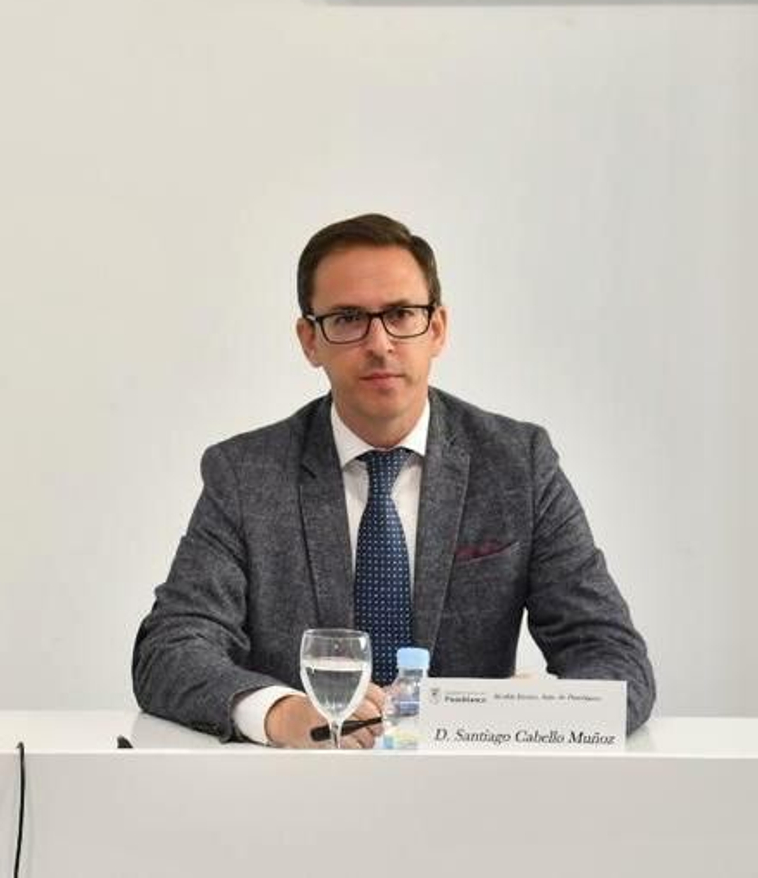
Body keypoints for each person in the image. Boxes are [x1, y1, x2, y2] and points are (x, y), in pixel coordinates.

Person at [132, 214, 653, 747]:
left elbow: (612, 655)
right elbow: (171, 648)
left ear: (438, 329)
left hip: (473, 794)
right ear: (310, 340)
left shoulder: (517, 463)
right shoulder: (246, 474)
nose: (379, 343)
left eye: (402, 314)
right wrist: (279, 713)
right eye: (348, 318)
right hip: (294, 792)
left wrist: (526, 718)